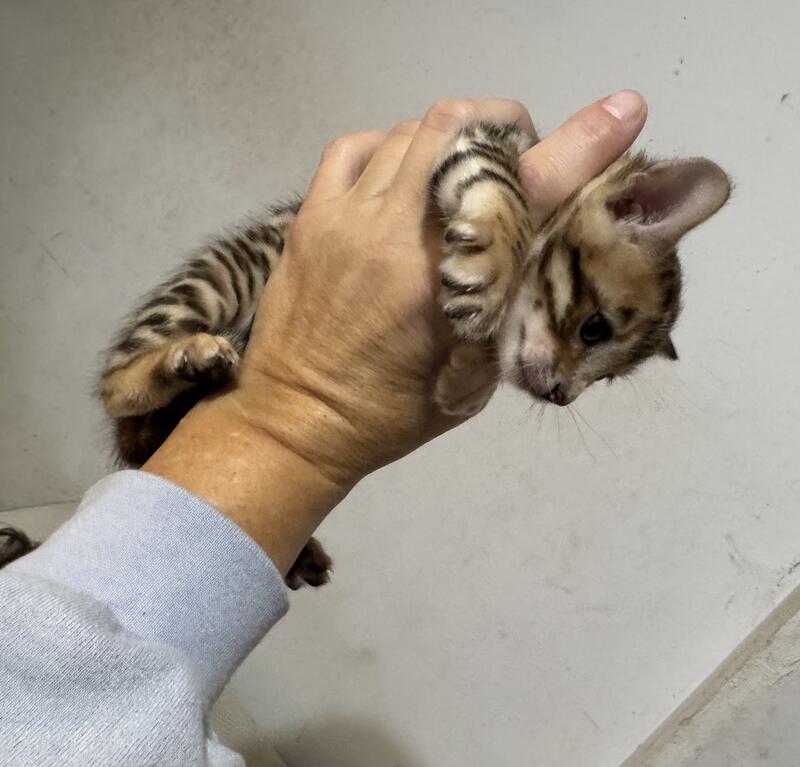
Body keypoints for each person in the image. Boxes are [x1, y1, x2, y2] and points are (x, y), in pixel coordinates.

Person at [0, 93, 647, 766]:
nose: (567, 392)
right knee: (238, 274)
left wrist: (288, 434)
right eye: (594, 333)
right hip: (254, 307)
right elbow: (472, 156)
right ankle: (134, 376)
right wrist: (299, 415)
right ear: (628, 210)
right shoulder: (540, 206)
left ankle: (204, 454)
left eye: (599, 375)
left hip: (202, 424)